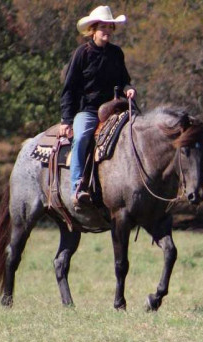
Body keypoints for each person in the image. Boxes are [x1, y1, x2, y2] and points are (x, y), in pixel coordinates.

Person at [58, 5, 137, 208]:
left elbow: (124, 79)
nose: (107, 31)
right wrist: (67, 119)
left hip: (115, 109)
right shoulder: (81, 54)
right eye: (103, 27)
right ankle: (77, 186)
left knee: (135, 134)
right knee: (82, 136)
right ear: (93, 29)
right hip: (89, 110)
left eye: (110, 27)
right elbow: (69, 89)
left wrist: (128, 88)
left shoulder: (116, 53)